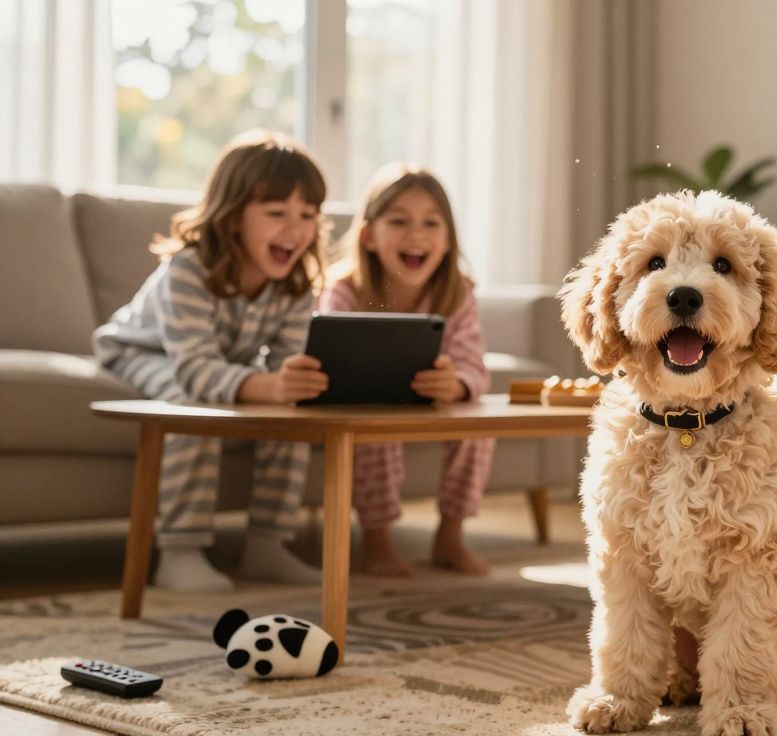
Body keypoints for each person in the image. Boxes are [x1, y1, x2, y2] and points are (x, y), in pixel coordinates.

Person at [92, 129, 330, 593]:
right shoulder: (188, 270)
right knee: (191, 405)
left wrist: (289, 388)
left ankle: (267, 543)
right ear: (231, 215)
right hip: (141, 351)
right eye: (277, 212)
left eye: (308, 214)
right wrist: (272, 386)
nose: (296, 228)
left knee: (292, 411)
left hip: (214, 362)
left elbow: (284, 369)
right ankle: (180, 550)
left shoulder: (296, 286)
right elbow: (196, 370)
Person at [322, 162, 494, 576]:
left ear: (448, 238)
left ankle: (450, 536)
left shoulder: (455, 293)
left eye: (431, 223)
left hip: (428, 403)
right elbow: (330, 353)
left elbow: (474, 367)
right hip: (362, 405)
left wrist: (454, 385)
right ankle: (377, 541)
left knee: (477, 427)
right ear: (367, 235)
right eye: (399, 221)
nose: (416, 235)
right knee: (375, 430)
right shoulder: (344, 289)